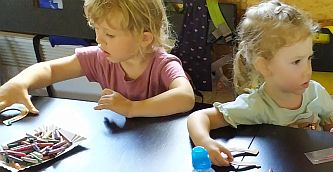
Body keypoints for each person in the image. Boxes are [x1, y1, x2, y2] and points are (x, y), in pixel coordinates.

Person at [188, 0, 333, 166]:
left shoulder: (316, 92)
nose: (308, 71)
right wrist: (205, 142)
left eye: (309, 58)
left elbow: (332, 127)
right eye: (297, 61)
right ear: (264, 66)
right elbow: (198, 117)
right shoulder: (256, 105)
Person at [0, 0, 195, 118]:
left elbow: (185, 97)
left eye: (109, 34)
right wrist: (18, 83)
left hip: (161, 146)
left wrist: (131, 108)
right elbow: (50, 70)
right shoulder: (101, 57)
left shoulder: (163, 64)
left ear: (144, 38)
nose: (99, 39)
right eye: (96, 29)